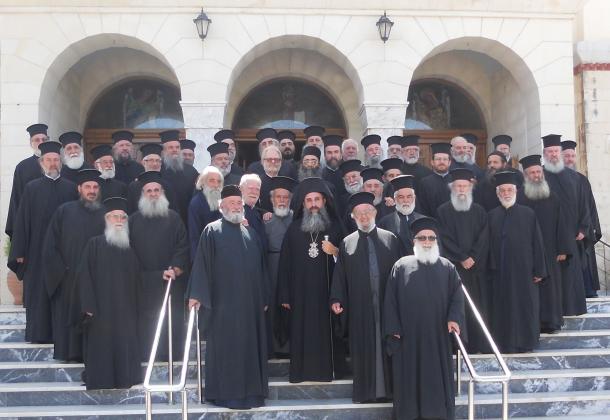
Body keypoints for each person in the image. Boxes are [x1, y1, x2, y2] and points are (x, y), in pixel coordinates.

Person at [187, 185, 269, 409]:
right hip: (223, 306)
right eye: (231, 203)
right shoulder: (211, 231)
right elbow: (202, 264)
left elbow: (261, 268)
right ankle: (226, 395)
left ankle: (253, 394)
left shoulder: (251, 233)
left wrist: (264, 297)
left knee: (249, 349)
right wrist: (197, 294)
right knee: (227, 350)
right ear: (221, 206)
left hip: (250, 306)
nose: (236, 206)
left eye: (239, 203)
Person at [383, 216, 465, 420]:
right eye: (422, 238)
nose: (427, 242)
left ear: (436, 241)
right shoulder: (401, 266)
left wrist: (454, 318)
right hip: (408, 337)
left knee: (435, 377)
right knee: (408, 377)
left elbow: (457, 296)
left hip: (437, 336)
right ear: (414, 241)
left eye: (431, 238)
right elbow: (390, 300)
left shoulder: (447, 267)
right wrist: (393, 328)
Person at [331, 192, 403, 403]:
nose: (364, 216)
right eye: (359, 213)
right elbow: (340, 275)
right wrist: (336, 299)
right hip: (360, 307)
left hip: (386, 305)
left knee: (387, 344)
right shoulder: (347, 243)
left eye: (367, 212)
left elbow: (400, 274)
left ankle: (389, 392)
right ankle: (365, 393)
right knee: (363, 348)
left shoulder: (391, 239)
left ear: (375, 213)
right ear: (353, 217)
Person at [277, 177, 346, 382]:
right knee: (302, 332)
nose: (313, 204)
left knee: (327, 332)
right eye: (309, 200)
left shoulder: (336, 228)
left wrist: (335, 251)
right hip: (300, 295)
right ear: (303, 204)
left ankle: (328, 371)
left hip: (328, 293)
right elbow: (284, 263)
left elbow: (350, 259)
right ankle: (301, 372)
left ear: (324, 201)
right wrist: (285, 295)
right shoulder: (293, 229)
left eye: (317, 199)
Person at [8, 141, 78, 343]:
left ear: (61, 162)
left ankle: (61, 336)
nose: (53, 163)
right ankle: (38, 334)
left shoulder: (71, 189)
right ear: (42, 163)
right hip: (35, 252)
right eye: (49, 160)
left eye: (56, 159)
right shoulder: (31, 189)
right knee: (38, 292)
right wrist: (19, 252)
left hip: (63, 253)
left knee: (62, 292)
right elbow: (22, 222)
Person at [42, 169, 106, 362]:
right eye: (88, 187)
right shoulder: (64, 211)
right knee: (68, 316)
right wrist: (61, 272)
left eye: (95, 187)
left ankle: (93, 354)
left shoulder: (106, 214)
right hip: (69, 277)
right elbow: (50, 246)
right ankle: (69, 353)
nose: (92, 191)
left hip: (98, 279)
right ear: (79, 189)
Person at [78, 197, 141, 390]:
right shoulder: (94, 244)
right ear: (107, 219)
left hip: (125, 311)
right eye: (115, 217)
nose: (119, 220)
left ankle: (124, 378)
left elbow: (137, 281)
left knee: (123, 345)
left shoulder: (129, 248)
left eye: (123, 217)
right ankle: (101, 379)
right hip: (99, 310)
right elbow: (84, 276)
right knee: (101, 346)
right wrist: (88, 306)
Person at [129, 171, 189, 361]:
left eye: (157, 190)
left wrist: (175, 268)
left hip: (171, 283)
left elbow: (183, 246)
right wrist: (151, 275)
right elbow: (129, 253)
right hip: (144, 284)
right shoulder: (133, 221)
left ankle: (173, 357)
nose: (153, 194)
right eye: (149, 191)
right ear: (143, 194)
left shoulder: (174, 218)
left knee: (172, 322)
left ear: (162, 193)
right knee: (147, 326)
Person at [488, 171, 546, 353]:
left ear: (516, 191)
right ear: (498, 194)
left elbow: (537, 243)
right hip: (500, 273)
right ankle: (505, 344)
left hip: (525, 272)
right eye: (503, 190)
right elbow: (487, 246)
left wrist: (540, 270)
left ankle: (526, 343)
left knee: (525, 307)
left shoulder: (528, 214)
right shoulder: (491, 216)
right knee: (503, 308)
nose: (506, 193)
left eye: (510, 190)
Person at [437, 168, 490, 353]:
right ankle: (457, 346)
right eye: (458, 186)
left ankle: (477, 344)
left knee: (477, 308)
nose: (461, 189)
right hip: (454, 269)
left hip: (476, 270)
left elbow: (484, 238)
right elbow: (443, 237)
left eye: (465, 186)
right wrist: (462, 257)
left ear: (470, 188)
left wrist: (473, 257)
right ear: (452, 188)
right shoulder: (442, 211)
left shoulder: (479, 211)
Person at [518, 155, 571, 333]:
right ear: (525, 175)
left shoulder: (552, 196)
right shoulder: (518, 197)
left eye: (538, 172)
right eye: (532, 173)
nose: (536, 175)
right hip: (526, 251)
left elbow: (561, 223)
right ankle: (532, 322)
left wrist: (563, 249)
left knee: (551, 289)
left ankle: (551, 322)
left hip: (550, 251)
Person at [542, 134, 590, 316]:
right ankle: (553, 313)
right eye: (550, 151)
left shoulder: (574, 177)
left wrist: (583, 228)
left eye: (556, 151)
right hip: (547, 238)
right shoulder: (539, 176)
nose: (553, 154)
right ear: (544, 154)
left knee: (571, 276)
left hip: (571, 236)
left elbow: (584, 204)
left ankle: (571, 310)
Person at [562, 140, 602, 298]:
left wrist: (586, 229)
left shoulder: (582, 180)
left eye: (572, 156)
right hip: (564, 235)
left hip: (582, 234)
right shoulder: (554, 180)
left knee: (585, 265)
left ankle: (588, 292)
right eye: (567, 156)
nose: (570, 159)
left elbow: (590, 207)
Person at [264, 176, 297, 356]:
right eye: (278, 197)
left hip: (293, 270)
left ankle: (291, 347)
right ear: (272, 199)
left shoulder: (298, 219)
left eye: (285, 197)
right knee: (271, 308)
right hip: (271, 268)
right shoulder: (265, 220)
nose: (282, 200)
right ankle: (273, 348)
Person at [5, 123, 47, 238]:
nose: (41, 142)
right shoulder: (22, 167)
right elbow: (16, 199)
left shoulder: (58, 165)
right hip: (30, 225)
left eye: (44, 139)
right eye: (37, 140)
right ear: (30, 143)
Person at [159, 129, 200, 225]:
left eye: (177, 147)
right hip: (162, 221)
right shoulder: (158, 170)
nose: (175, 150)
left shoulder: (191, 171)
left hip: (185, 220)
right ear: (163, 151)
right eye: (171, 147)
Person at [126, 143, 177, 215]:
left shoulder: (167, 185)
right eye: (151, 160)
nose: (155, 164)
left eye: (158, 160)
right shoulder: (134, 186)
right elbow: (130, 211)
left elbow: (173, 210)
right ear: (143, 163)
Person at [379, 175, 424, 255]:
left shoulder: (423, 221)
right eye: (401, 197)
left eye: (409, 197)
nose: (405, 200)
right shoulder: (385, 223)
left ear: (414, 198)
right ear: (395, 199)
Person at [187, 166, 223, 260]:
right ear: (203, 183)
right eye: (212, 181)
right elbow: (194, 235)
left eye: (219, 181)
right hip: (205, 253)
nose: (216, 185)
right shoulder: (196, 203)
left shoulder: (223, 200)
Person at [417, 142, 452, 218]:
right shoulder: (424, 183)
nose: (442, 162)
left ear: (449, 162)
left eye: (445, 159)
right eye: (438, 159)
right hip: (432, 222)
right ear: (432, 162)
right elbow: (422, 207)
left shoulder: (456, 181)